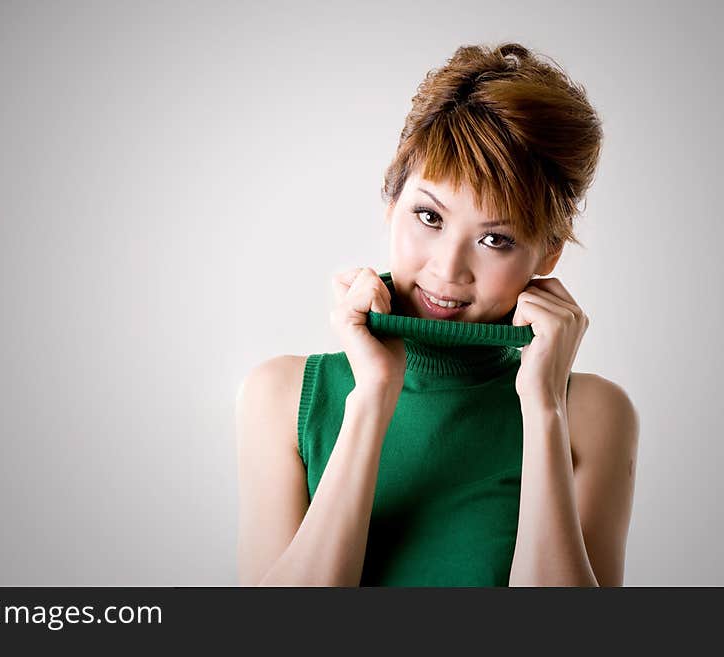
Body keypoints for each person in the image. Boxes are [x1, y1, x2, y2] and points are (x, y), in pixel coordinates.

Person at [235, 42, 639, 587]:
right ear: (390, 203)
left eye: (495, 238)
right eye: (429, 216)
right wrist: (373, 395)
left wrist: (543, 407)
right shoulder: (282, 395)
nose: (449, 268)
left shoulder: (590, 413)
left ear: (547, 254)